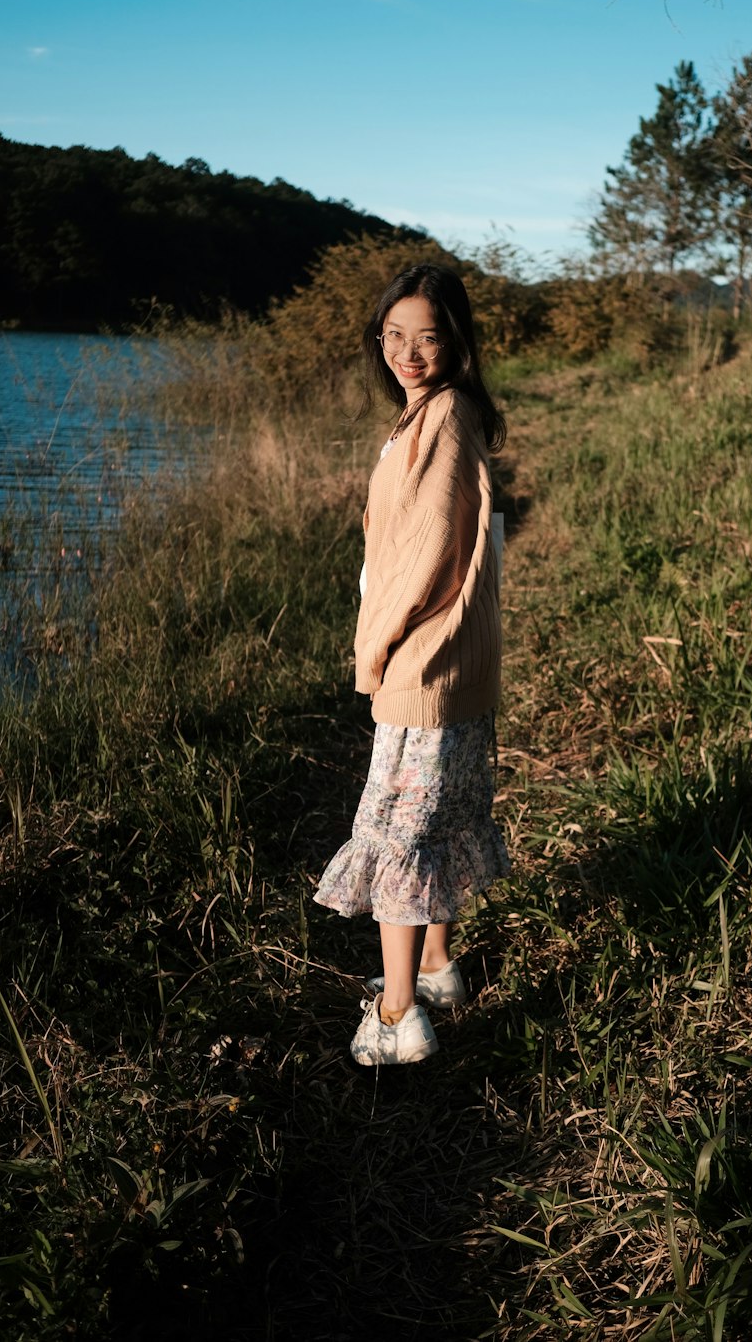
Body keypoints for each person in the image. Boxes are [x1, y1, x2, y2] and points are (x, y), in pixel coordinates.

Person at [314, 263, 509, 1066]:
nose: (408, 351)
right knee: (444, 821)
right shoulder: (429, 413)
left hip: (421, 656)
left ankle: (397, 1020)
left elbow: (426, 549)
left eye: (428, 336)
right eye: (395, 335)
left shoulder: (444, 417)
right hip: (450, 656)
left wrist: (379, 644)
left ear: (455, 340)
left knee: (398, 832)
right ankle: (434, 968)